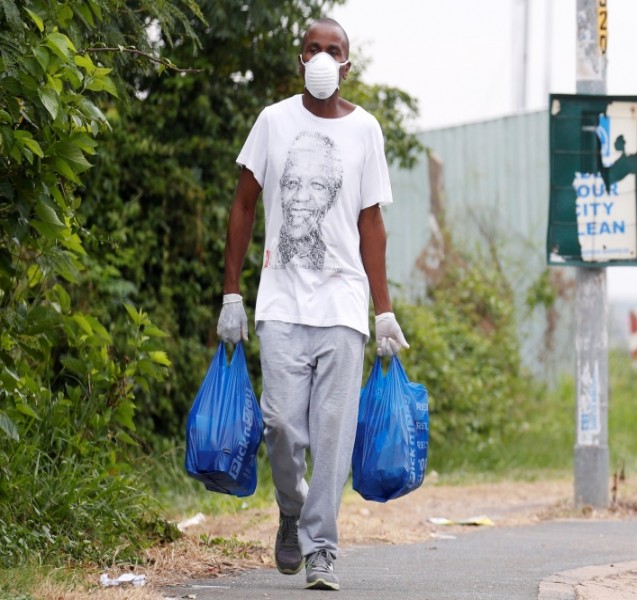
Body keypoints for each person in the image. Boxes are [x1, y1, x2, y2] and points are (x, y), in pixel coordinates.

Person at [215, 17, 409, 591]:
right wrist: (232, 294)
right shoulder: (273, 122)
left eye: (334, 51)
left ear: (348, 65)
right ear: (299, 58)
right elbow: (244, 205)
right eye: (312, 49)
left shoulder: (366, 130)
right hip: (280, 302)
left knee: (332, 434)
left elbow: (371, 222)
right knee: (279, 425)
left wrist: (383, 310)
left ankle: (322, 548)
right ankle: (293, 509)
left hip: (344, 307)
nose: (323, 58)